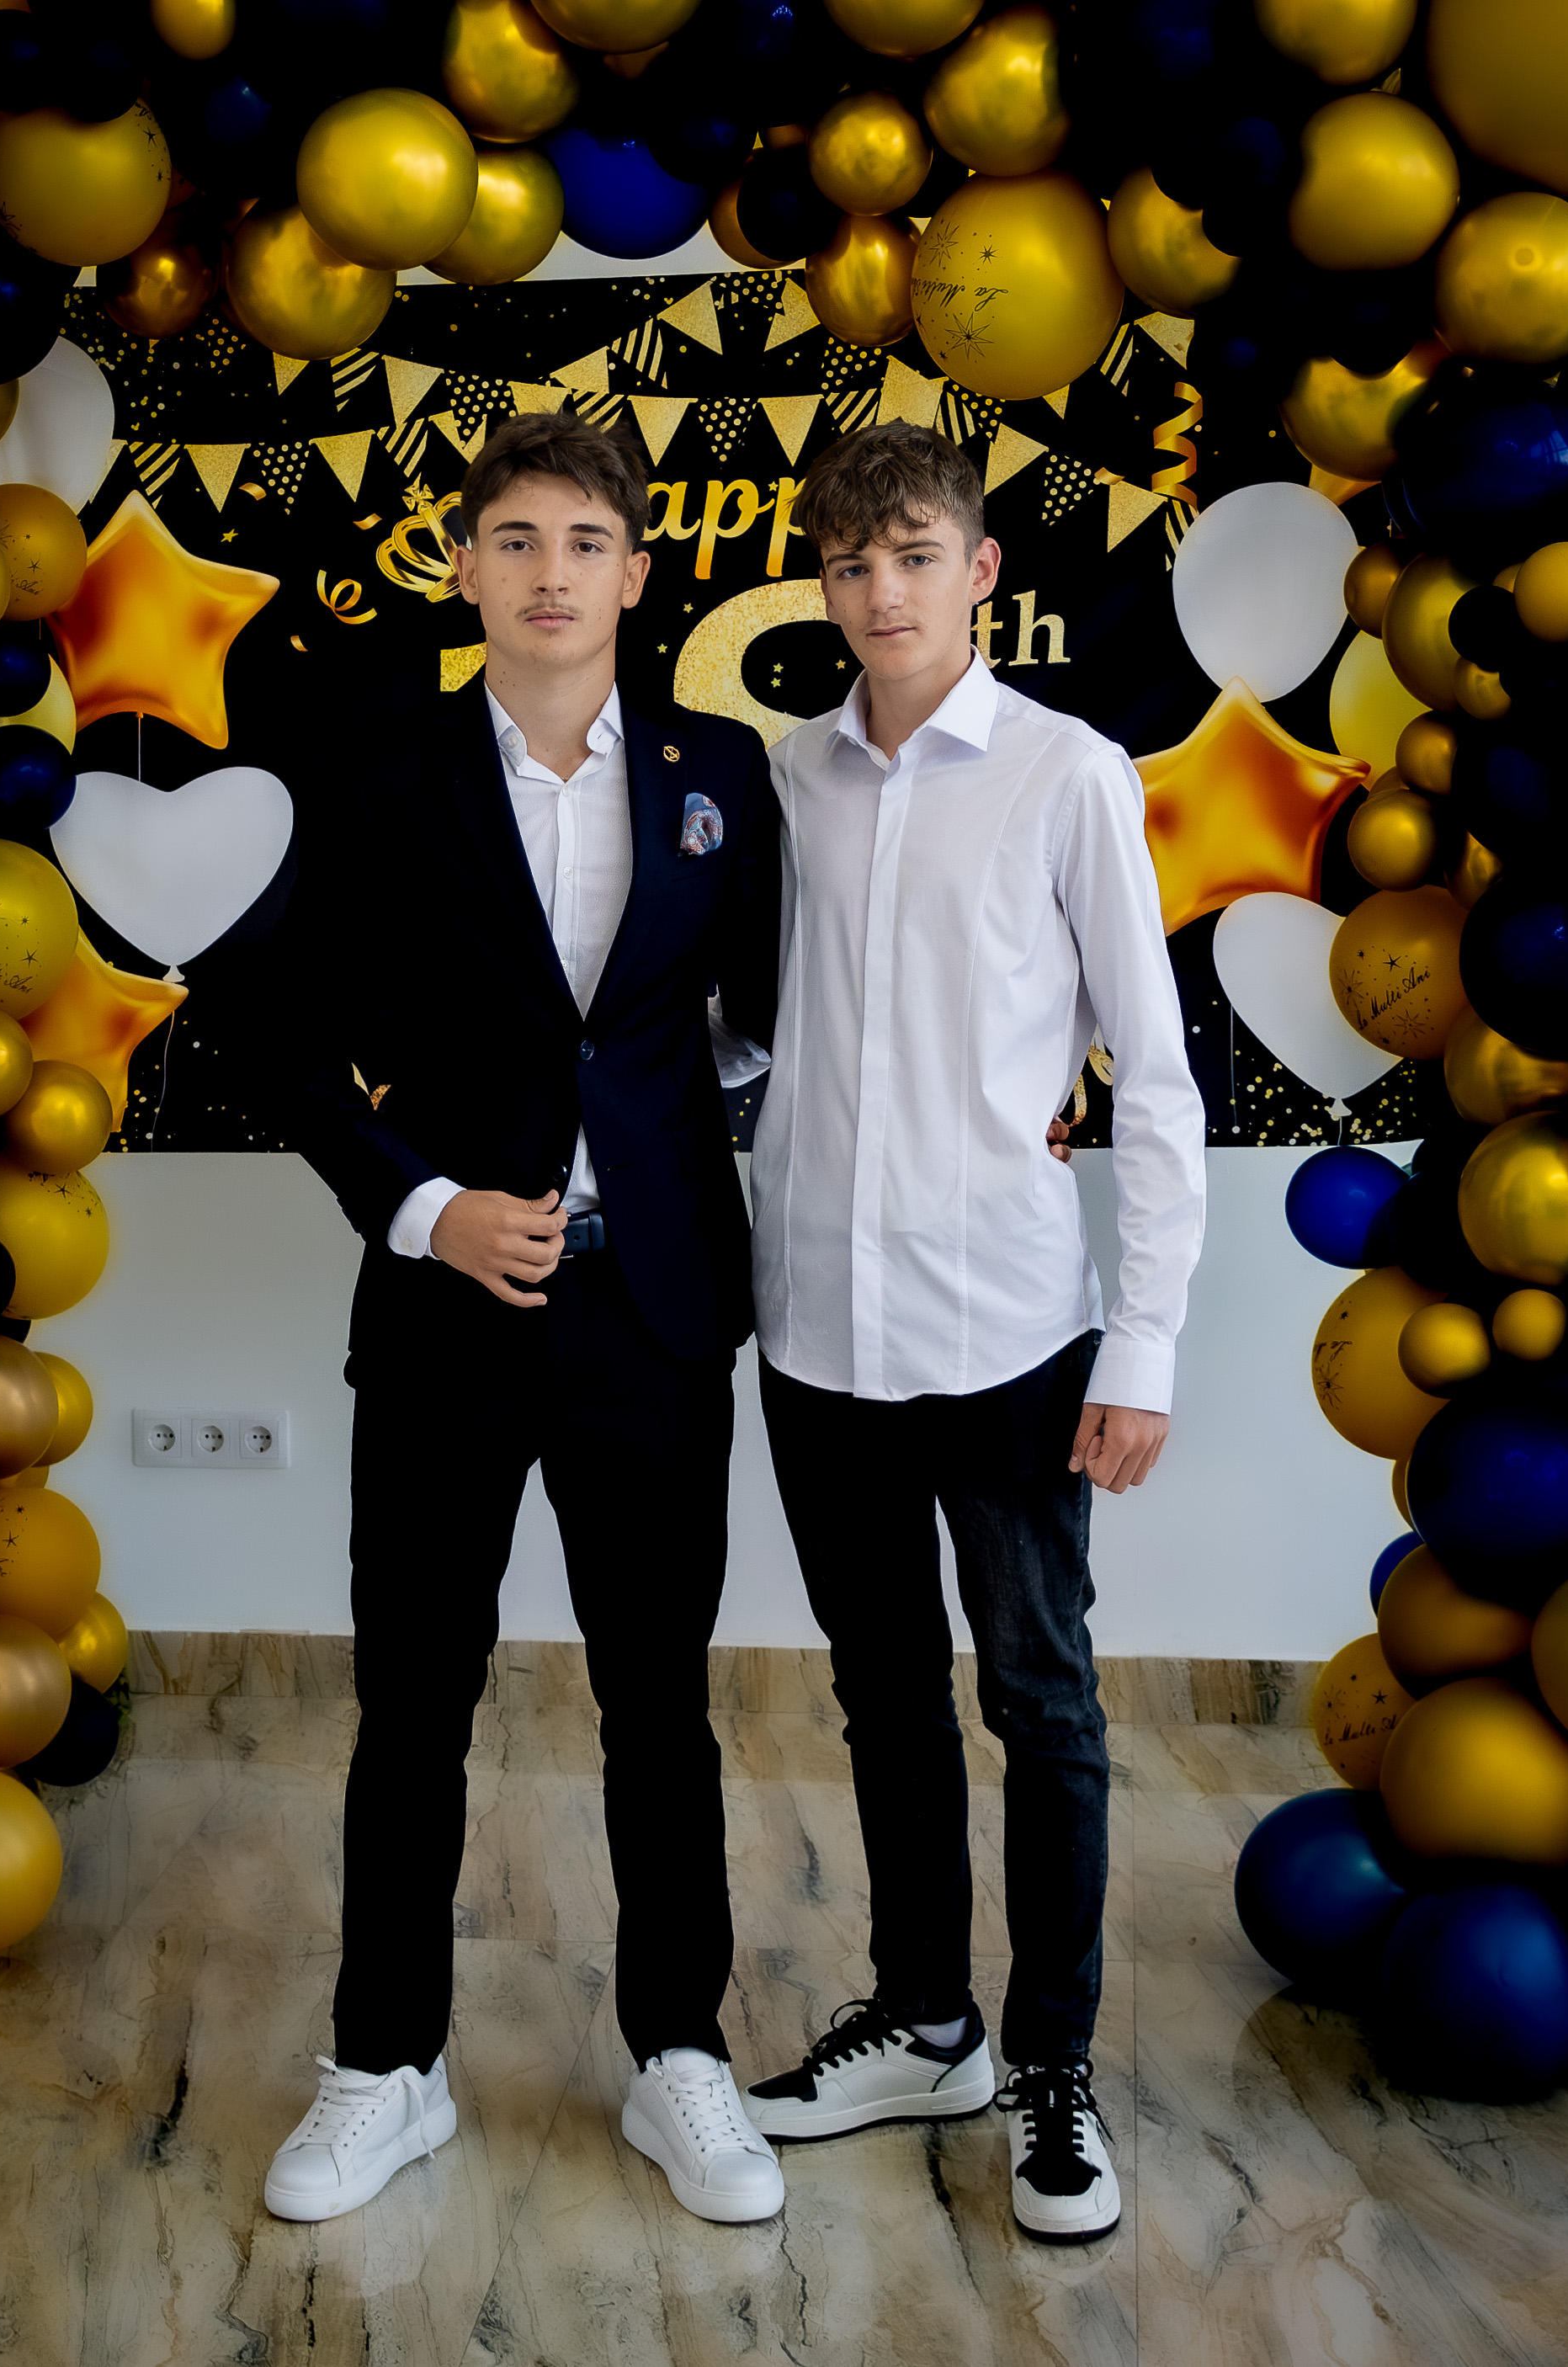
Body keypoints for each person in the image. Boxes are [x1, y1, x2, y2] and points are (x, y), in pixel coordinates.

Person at [268, 412, 784, 2226]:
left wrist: (645, 1147)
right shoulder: (380, 768)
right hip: (443, 1312)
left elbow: (769, 1016)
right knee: (413, 1697)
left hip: (654, 1310)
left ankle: (680, 2054)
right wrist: (428, 1206)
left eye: (583, 540)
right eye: (514, 539)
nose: (550, 572)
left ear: (636, 572)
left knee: (661, 1701)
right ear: (466, 566)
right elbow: (282, 1039)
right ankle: (385, 2063)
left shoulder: (723, 768)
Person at [737, 422, 1206, 2243]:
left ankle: (1050, 2066)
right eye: (850, 562)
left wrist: (1142, 1346)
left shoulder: (1066, 773)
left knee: (1041, 1698)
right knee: (880, 1692)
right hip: (814, 1332)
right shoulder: (788, 777)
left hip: (1007, 1331)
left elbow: (1152, 1079)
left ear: (981, 570)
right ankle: (926, 2020)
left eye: (914, 555)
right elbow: (755, 1024)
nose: (881, 591)